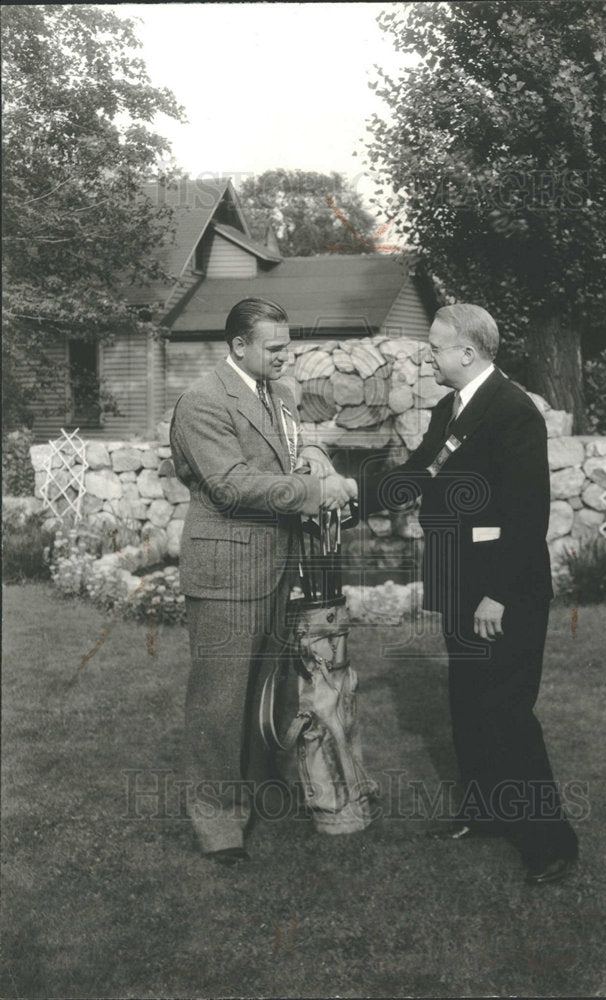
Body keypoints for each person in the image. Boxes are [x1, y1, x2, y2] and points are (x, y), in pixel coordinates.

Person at [360, 303, 578, 885]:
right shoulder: (449, 408)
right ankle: (483, 814)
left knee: (506, 711)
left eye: (435, 347)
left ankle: (550, 842)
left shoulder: (513, 412)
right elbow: (415, 472)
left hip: (502, 592)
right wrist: (344, 496)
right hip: (459, 582)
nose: (427, 355)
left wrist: (499, 595)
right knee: (469, 706)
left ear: (469, 351)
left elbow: (526, 513)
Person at [170, 297, 356, 866]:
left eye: (287, 344)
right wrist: (313, 493)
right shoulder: (202, 402)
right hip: (226, 572)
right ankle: (218, 824)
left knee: (264, 696)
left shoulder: (281, 393)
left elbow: (295, 447)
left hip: (275, 566)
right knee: (219, 703)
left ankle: (258, 791)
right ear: (239, 347)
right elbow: (228, 485)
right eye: (274, 348)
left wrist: (319, 458)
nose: (286, 355)